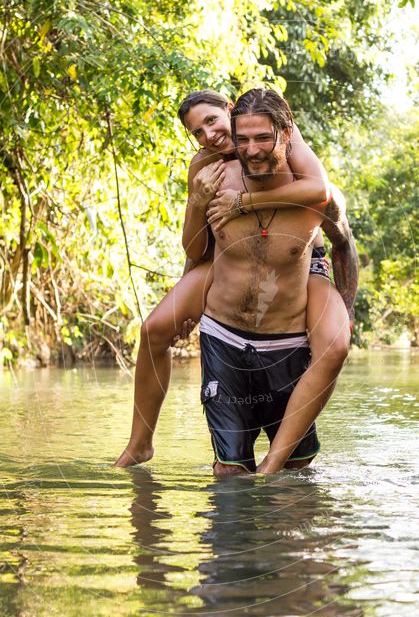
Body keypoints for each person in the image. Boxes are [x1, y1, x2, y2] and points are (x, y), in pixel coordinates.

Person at [114, 89, 357, 470]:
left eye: (212, 121)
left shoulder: (283, 139)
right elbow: (196, 247)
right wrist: (188, 289)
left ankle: (275, 462)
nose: (210, 135)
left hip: (302, 259)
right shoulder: (205, 165)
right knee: (155, 329)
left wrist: (244, 203)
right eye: (197, 132)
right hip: (226, 258)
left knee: (334, 342)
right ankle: (139, 443)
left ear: (230, 111)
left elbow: (320, 190)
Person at [200, 88, 356, 475]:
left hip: (287, 345)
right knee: (230, 474)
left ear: (287, 135)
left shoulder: (318, 198)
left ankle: (272, 472)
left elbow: (345, 246)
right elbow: (195, 250)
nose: (252, 150)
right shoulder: (218, 181)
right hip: (225, 340)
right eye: (244, 139)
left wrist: (346, 306)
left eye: (264, 138)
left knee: (294, 473)